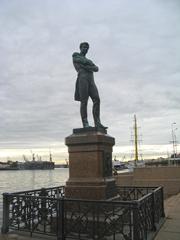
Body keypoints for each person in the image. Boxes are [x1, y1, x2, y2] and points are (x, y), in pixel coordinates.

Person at [72, 42, 107, 129]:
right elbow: (82, 61)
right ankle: (85, 123)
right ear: (80, 48)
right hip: (82, 79)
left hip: (91, 81)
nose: (85, 49)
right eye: (84, 47)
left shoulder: (90, 61)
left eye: (87, 48)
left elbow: (96, 68)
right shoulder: (75, 55)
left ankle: (97, 122)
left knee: (97, 99)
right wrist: (88, 65)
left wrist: (86, 66)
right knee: (84, 101)